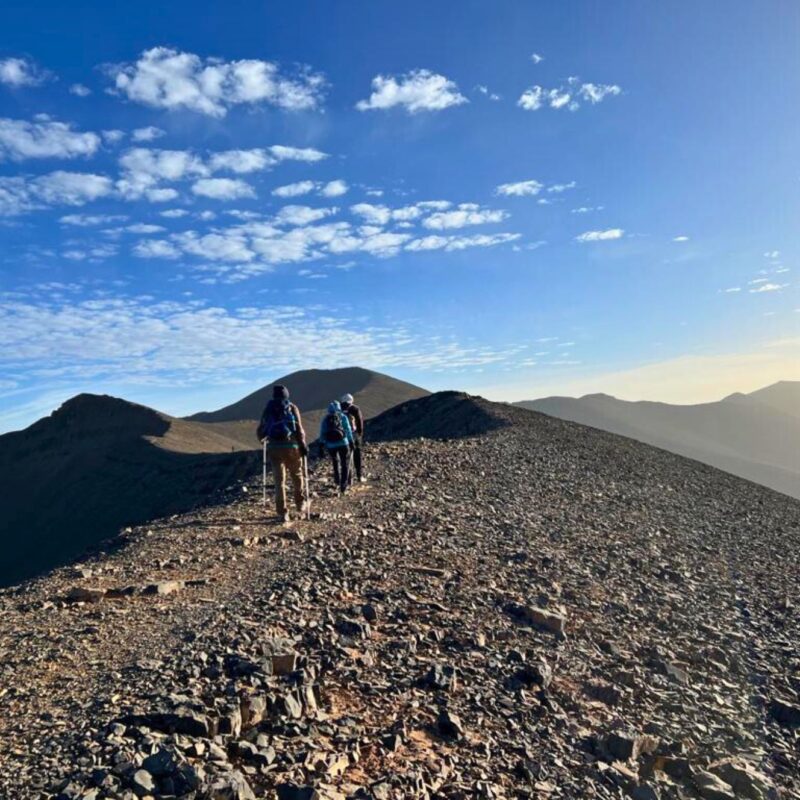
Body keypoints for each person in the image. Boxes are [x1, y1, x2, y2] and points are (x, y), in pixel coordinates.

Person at [257, 385, 308, 523]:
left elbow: (261, 430)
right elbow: (299, 429)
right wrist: (303, 445)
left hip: (274, 447)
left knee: (279, 481)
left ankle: (282, 512)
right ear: (287, 395)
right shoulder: (292, 407)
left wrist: (264, 442)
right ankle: (300, 503)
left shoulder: (268, 409)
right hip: (292, 446)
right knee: (297, 475)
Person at [319, 400, 355, 494]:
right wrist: (351, 441)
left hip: (331, 445)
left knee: (335, 462)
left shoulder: (326, 419)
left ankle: (336, 480)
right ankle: (343, 485)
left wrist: (322, 445)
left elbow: (322, 433)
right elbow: (348, 430)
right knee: (344, 464)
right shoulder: (342, 417)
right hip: (343, 443)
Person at [340, 393, 365, 483]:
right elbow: (359, 421)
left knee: (345, 457)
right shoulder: (355, 409)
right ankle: (359, 476)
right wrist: (360, 433)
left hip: (342, 436)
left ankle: (347, 477)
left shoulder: (339, 409)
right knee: (357, 455)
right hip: (354, 435)